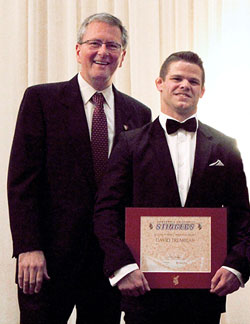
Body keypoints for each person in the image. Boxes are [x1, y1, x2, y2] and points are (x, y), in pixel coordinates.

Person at [7, 12, 151, 324]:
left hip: (108, 264)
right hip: (47, 261)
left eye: (112, 46)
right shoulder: (41, 100)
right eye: (94, 43)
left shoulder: (139, 113)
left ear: (122, 56)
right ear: (77, 50)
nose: (103, 52)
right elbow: (22, 182)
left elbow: (138, 192)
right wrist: (28, 247)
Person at [93, 51, 250, 324]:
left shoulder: (226, 146)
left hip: (205, 296)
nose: (185, 85)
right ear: (160, 83)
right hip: (143, 291)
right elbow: (106, 211)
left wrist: (236, 266)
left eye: (193, 81)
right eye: (176, 78)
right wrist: (122, 266)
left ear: (202, 91)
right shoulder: (129, 144)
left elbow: (243, 216)